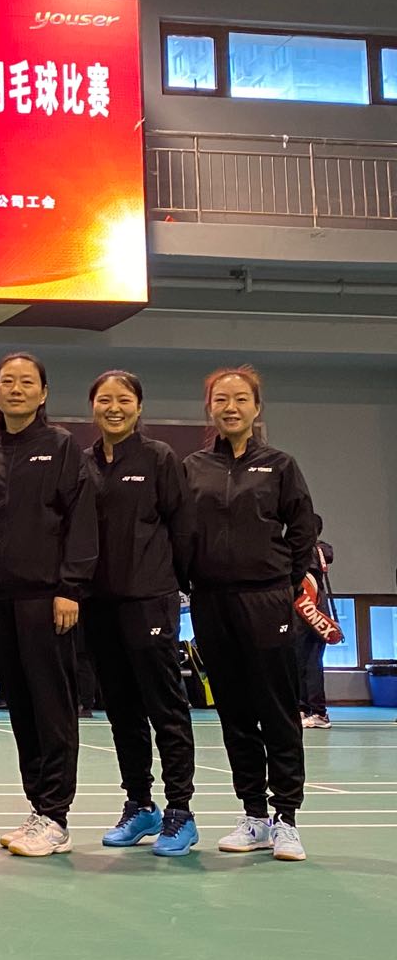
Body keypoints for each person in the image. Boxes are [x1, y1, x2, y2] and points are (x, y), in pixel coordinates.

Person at [0, 352, 97, 858]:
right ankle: (39, 808)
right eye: (7, 381)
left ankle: (56, 815)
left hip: (47, 598)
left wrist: (70, 588)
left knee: (52, 707)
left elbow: (81, 521)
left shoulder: (61, 447)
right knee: (20, 706)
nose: (16, 389)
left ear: (43, 394)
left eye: (26, 382)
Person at [184, 365, 319, 862]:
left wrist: (284, 582)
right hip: (211, 602)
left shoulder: (280, 466)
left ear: (256, 408)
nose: (231, 407)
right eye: (221, 399)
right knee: (235, 713)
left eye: (241, 399)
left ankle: (287, 819)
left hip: (267, 600)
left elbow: (302, 529)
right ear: (210, 408)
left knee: (276, 710)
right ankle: (254, 817)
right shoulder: (193, 467)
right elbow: (180, 530)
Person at [81, 370, 200, 857]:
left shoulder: (159, 458)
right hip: (98, 605)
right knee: (122, 710)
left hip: (150, 599)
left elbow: (183, 527)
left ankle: (180, 811)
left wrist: (173, 585)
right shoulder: (83, 463)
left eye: (124, 399)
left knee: (165, 707)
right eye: (105, 399)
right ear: (92, 406)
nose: (114, 407)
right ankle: (140, 804)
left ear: (138, 406)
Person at [297, 540, 336, 730]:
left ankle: (319, 712)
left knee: (311, 665)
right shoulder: (320, 550)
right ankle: (303, 709)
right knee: (301, 665)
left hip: (312, 617)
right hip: (310, 616)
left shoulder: (312, 551)